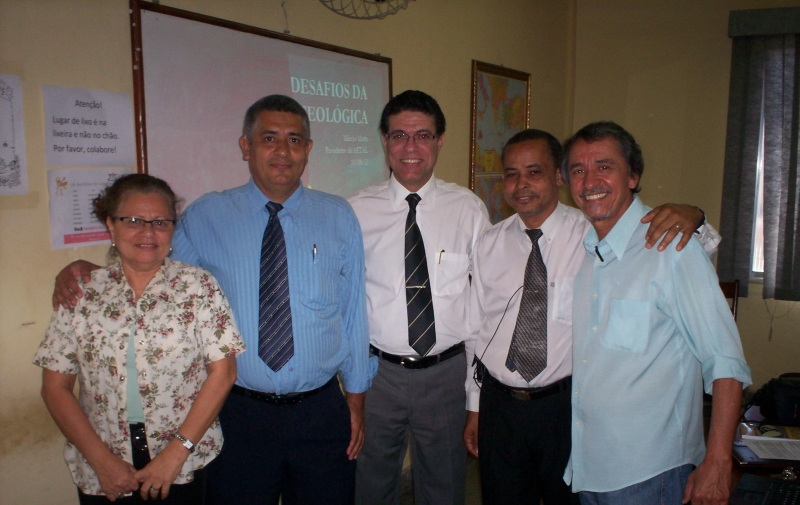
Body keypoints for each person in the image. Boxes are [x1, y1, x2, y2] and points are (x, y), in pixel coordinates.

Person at [51, 95, 374, 505]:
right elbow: (153, 270)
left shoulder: (339, 215)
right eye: (269, 138)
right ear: (246, 146)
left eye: (295, 140)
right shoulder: (206, 216)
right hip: (238, 413)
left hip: (320, 409)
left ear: (307, 149)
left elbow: (352, 313)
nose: (282, 150)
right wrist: (86, 269)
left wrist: (357, 399)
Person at [463, 129, 720, 505]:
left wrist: (694, 216)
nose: (521, 185)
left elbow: (688, 246)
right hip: (500, 407)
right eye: (511, 173)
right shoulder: (488, 243)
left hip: (565, 407)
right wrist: (475, 407)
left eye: (534, 172)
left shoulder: (594, 231)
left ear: (558, 178)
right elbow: (477, 330)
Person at [561, 121, 751, 505]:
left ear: (633, 175)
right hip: (591, 465)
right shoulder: (585, 253)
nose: (589, 180)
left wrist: (717, 461)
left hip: (651, 473)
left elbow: (726, 361)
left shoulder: (672, 248)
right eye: (578, 170)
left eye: (604, 166)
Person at [35, 173, 245, 504]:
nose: (148, 232)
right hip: (102, 465)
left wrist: (176, 454)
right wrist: (102, 463)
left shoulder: (198, 287)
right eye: (133, 220)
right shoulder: (82, 292)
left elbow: (224, 373)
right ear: (111, 225)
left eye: (160, 222)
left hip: (184, 461)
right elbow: (55, 386)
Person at [348, 90, 491, 505]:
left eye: (423, 135)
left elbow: (482, 308)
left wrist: (476, 399)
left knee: (444, 488)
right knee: (371, 486)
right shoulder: (356, 212)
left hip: (446, 375)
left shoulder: (468, 210)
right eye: (399, 136)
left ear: (440, 140)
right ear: (384, 141)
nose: (410, 148)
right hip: (379, 376)